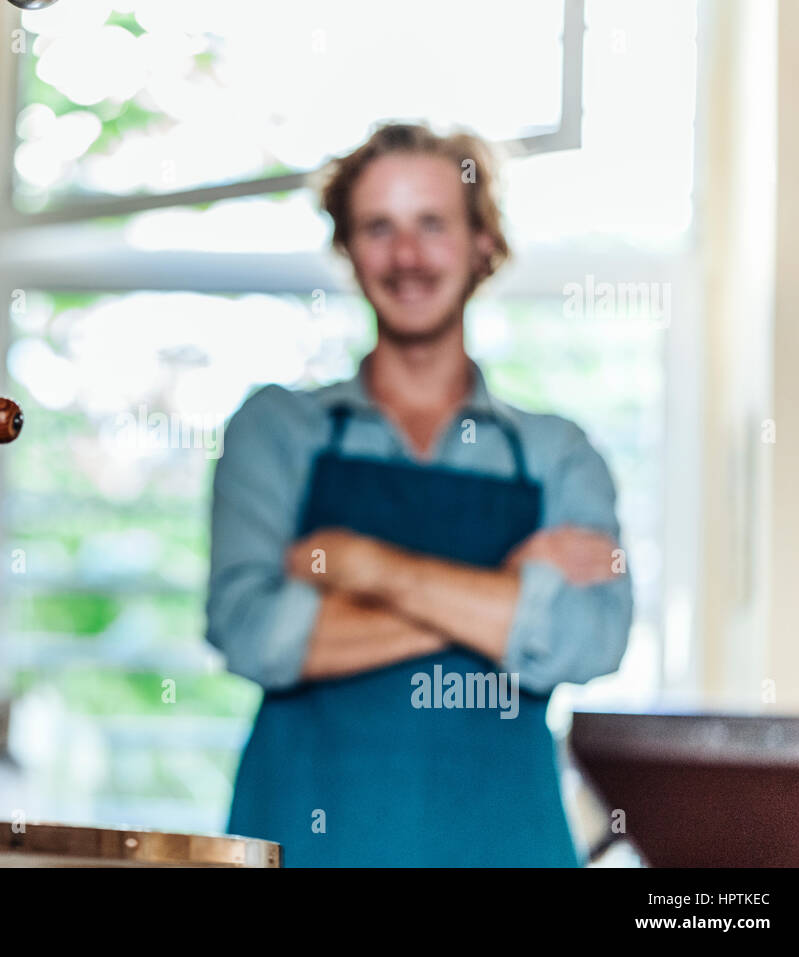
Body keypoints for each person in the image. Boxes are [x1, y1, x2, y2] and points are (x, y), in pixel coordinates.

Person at [205, 123, 633, 867]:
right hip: (304, 842)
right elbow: (252, 632)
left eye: (432, 224)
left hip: (506, 843)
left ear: (482, 244)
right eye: (379, 227)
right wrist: (505, 597)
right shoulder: (276, 428)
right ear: (347, 248)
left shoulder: (558, 451)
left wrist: (369, 568)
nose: (406, 256)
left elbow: (590, 639)